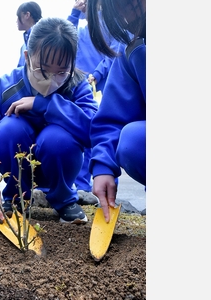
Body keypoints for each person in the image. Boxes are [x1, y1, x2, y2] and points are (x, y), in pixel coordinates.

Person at [0, 17, 98, 223]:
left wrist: (47, 104)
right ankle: (16, 198)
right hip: (16, 166)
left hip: (58, 163)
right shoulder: (7, 86)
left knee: (57, 138)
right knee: (9, 129)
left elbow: (94, 129)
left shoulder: (76, 85)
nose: (51, 78)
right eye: (43, 69)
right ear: (27, 56)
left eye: (61, 71)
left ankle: (63, 199)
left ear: (72, 64)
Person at [87, 0, 146, 222]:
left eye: (128, 5)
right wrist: (103, 167)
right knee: (133, 139)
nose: (126, 20)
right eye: (115, 12)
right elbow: (112, 117)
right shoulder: (133, 47)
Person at [67, 0, 123, 204]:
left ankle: (108, 189)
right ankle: (82, 188)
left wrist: (97, 74)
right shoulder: (79, 28)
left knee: (103, 134)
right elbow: (64, 39)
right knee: (83, 136)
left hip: (103, 89)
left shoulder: (108, 22)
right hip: (81, 90)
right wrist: (74, 13)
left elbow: (115, 51)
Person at [15, 1, 42, 67]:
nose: (16, 21)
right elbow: (21, 69)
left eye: (18, 16)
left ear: (27, 15)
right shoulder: (23, 46)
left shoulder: (42, 38)